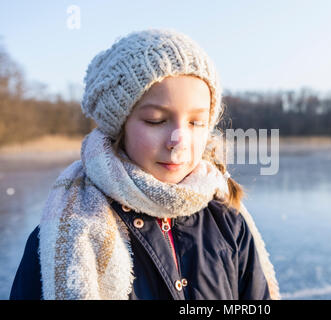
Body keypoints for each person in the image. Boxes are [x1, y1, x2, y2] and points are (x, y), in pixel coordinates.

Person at [9, 28, 280, 300]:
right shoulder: (63, 236)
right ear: (119, 126)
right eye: (156, 120)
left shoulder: (228, 222)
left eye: (196, 122)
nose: (179, 140)